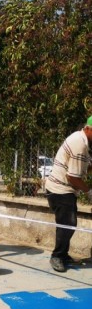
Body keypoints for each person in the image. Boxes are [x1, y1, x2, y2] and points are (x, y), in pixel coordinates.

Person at [45, 116, 92, 273]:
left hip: (65, 189)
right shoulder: (80, 143)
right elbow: (73, 176)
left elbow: (85, 166)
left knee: (68, 224)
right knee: (67, 224)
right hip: (60, 189)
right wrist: (89, 192)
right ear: (88, 129)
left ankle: (63, 254)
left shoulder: (82, 141)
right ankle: (57, 256)